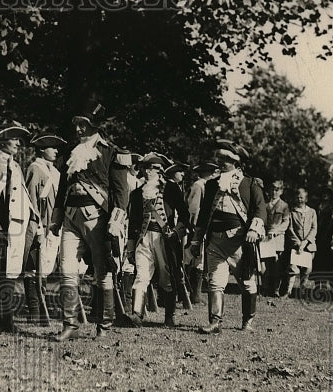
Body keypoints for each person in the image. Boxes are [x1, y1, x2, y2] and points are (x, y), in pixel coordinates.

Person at [50, 108, 131, 340]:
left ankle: (104, 325)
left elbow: (121, 192)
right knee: (66, 269)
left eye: (83, 125)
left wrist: (116, 221)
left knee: (102, 272)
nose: (78, 129)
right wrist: (56, 218)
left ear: (95, 126)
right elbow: (62, 189)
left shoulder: (111, 152)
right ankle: (70, 324)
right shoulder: (71, 152)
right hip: (70, 217)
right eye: (76, 124)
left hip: (98, 218)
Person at [191, 140, 266, 333]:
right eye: (219, 158)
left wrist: (253, 230)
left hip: (239, 242)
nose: (221, 162)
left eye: (225, 159)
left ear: (236, 162)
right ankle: (215, 322)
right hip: (215, 241)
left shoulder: (250, 183)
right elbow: (204, 215)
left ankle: (247, 321)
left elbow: (260, 209)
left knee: (247, 283)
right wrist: (196, 240)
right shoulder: (211, 185)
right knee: (215, 282)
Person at [124, 154, 189, 326]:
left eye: (150, 168)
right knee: (141, 276)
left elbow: (184, 215)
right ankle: (137, 314)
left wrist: (176, 232)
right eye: (145, 168)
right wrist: (130, 247)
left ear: (159, 170)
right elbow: (133, 223)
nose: (146, 172)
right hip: (143, 239)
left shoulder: (171, 189)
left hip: (164, 240)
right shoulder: (137, 193)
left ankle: (169, 316)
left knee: (167, 278)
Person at [0, 124, 37, 331]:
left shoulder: (14, 164)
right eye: (13, 139)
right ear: (2, 141)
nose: (17, 143)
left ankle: (7, 320)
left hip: (17, 225)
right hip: (0, 225)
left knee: (11, 272)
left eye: (18, 139)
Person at [23, 134, 66, 323]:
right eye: (52, 147)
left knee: (46, 267)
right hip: (40, 225)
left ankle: (41, 308)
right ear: (42, 149)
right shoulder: (35, 168)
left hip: (54, 226)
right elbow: (32, 200)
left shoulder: (55, 172)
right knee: (34, 268)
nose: (56, 151)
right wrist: (38, 227)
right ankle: (34, 311)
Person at [183, 161, 218, 304]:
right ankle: (190, 294)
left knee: (199, 260)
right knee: (194, 258)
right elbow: (194, 208)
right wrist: (195, 227)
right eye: (213, 173)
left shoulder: (205, 185)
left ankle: (194, 294)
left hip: (204, 227)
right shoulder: (199, 185)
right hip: (197, 228)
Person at [282, 187, 317, 298]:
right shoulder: (292, 212)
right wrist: (298, 243)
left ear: (306, 199)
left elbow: (314, 228)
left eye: (302, 197)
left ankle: (302, 292)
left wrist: (305, 242)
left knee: (306, 270)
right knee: (293, 268)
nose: (299, 200)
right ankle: (288, 291)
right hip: (295, 245)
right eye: (297, 197)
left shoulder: (312, 212)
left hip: (309, 245)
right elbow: (290, 228)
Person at [260, 180, 290, 297]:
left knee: (277, 266)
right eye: (272, 189)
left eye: (277, 190)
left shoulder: (284, 206)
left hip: (277, 239)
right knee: (265, 265)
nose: (274, 192)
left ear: (281, 191)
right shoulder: (265, 204)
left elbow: (285, 223)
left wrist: (275, 231)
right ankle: (265, 288)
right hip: (266, 238)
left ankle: (276, 290)